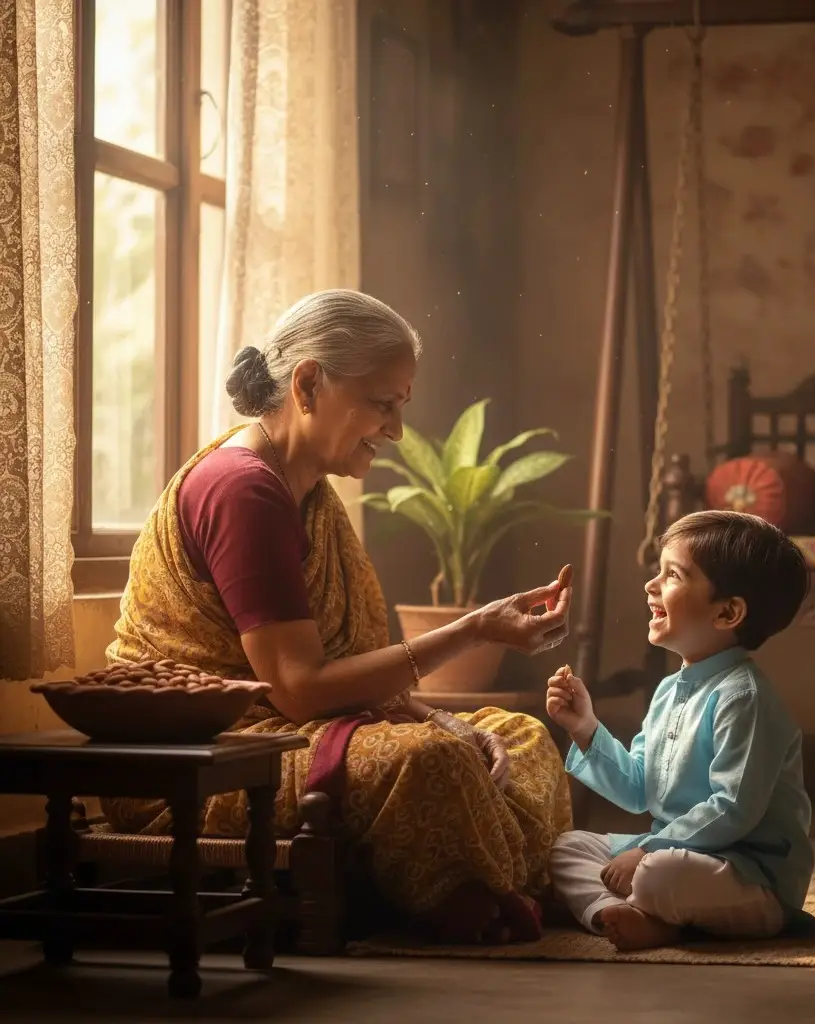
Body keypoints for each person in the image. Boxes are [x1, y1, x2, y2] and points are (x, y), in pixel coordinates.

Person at [102, 289, 573, 944]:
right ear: (308, 383)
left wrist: (433, 714)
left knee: (518, 736)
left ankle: (465, 884)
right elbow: (296, 691)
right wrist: (473, 629)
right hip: (215, 751)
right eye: (382, 404)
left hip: (311, 729)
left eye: (400, 407)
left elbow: (338, 681)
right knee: (433, 763)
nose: (396, 431)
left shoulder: (308, 489)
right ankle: (454, 892)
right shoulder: (243, 488)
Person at [545, 510, 814, 952]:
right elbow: (639, 790)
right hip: (672, 852)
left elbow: (733, 809)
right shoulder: (670, 690)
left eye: (672, 575)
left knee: (657, 874)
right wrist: (586, 728)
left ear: (728, 612)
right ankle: (618, 915)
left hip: (749, 877)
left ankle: (649, 912)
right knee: (570, 847)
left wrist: (648, 850)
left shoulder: (744, 697)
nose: (651, 586)